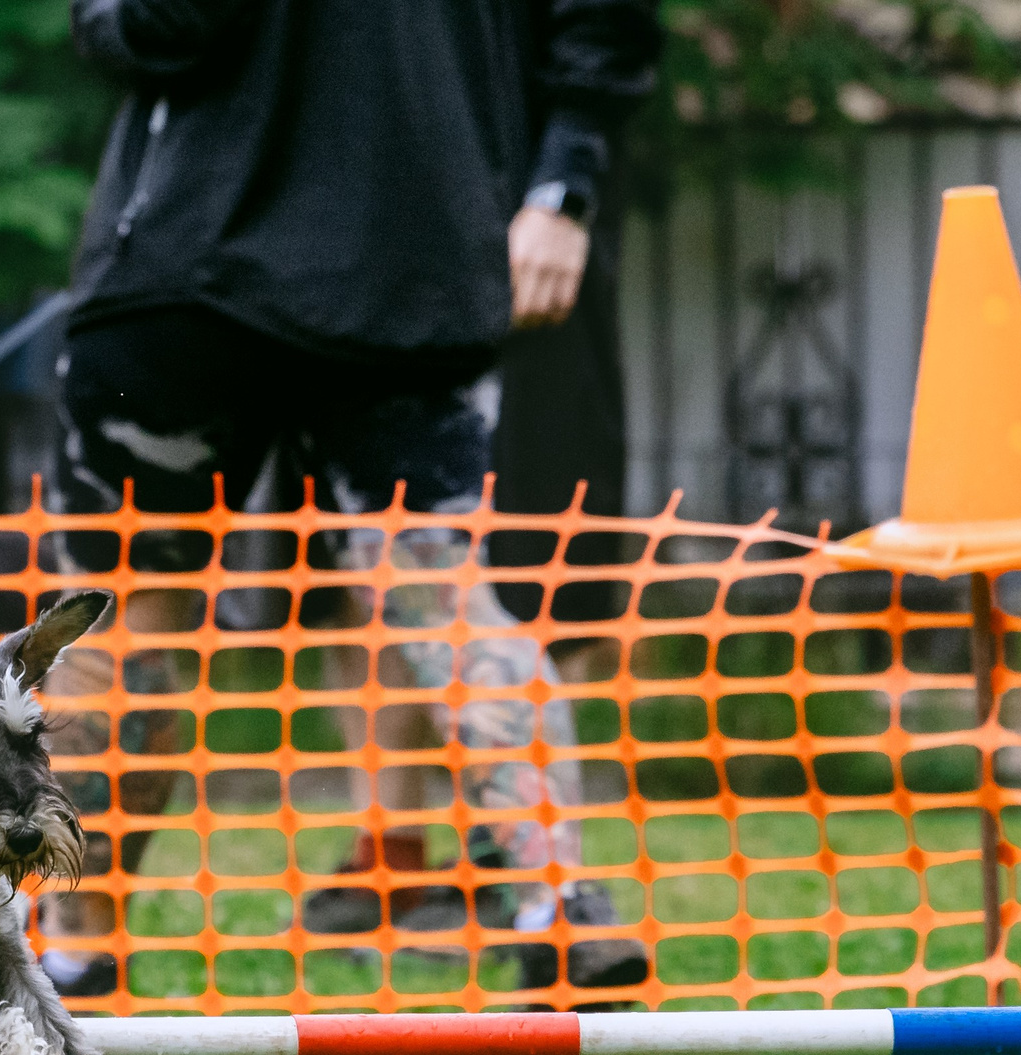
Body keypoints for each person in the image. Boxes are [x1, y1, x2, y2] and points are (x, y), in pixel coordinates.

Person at [40, 0, 661, 999]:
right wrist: (563, 185)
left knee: (129, 613)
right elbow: (602, 25)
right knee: (442, 592)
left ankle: (75, 942)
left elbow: (162, 26)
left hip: (188, 267)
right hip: (412, 261)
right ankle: (558, 895)